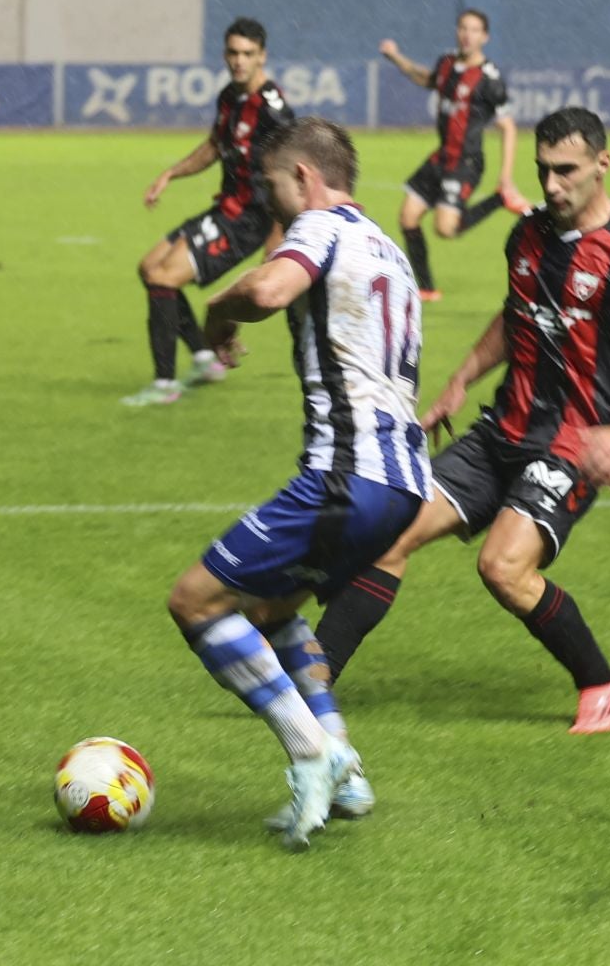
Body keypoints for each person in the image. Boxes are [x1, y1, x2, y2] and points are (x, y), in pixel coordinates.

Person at [315, 106, 610, 736]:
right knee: (387, 531)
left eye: (566, 170)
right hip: (501, 431)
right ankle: (313, 680)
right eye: (544, 170)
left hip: (572, 443)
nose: (552, 185)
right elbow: (515, 316)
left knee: (503, 567)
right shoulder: (527, 235)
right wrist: (461, 379)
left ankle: (605, 687)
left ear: (603, 164)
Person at [167, 117, 428, 850]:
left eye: (275, 187)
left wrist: (217, 312)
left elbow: (275, 287)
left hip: (346, 476)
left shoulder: (319, 226)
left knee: (194, 601)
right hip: (403, 486)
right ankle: (346, 770)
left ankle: (309, 748)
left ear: (307, 179)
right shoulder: (388, 249)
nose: (272, 206)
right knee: (276, 608)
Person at [128, 18, 296, 407]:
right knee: (148, 266)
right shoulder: (229, 98)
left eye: (247, 54)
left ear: (262, 56)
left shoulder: (274, 109)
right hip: (225, 210)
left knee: (162, 278)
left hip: (247, 222)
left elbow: (291, 169)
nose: (239, 61)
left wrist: (278, 233)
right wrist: (172, 173)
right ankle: (204, 356)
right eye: (233, 53)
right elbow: (214, 146)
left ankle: (164, 383)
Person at [379, 10, 527, 302]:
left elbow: (508, 128)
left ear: (484, 37)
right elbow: (427, 79)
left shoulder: (489, 79)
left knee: (446, 230)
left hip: (466, 163)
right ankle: (426, 288)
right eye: (463, 28)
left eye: (474, 30)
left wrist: (505, 177)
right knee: (408, 218)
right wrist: (397, 57)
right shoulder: (446, 62)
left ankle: (500, 199)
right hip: (441, 157)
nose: (467, 35)